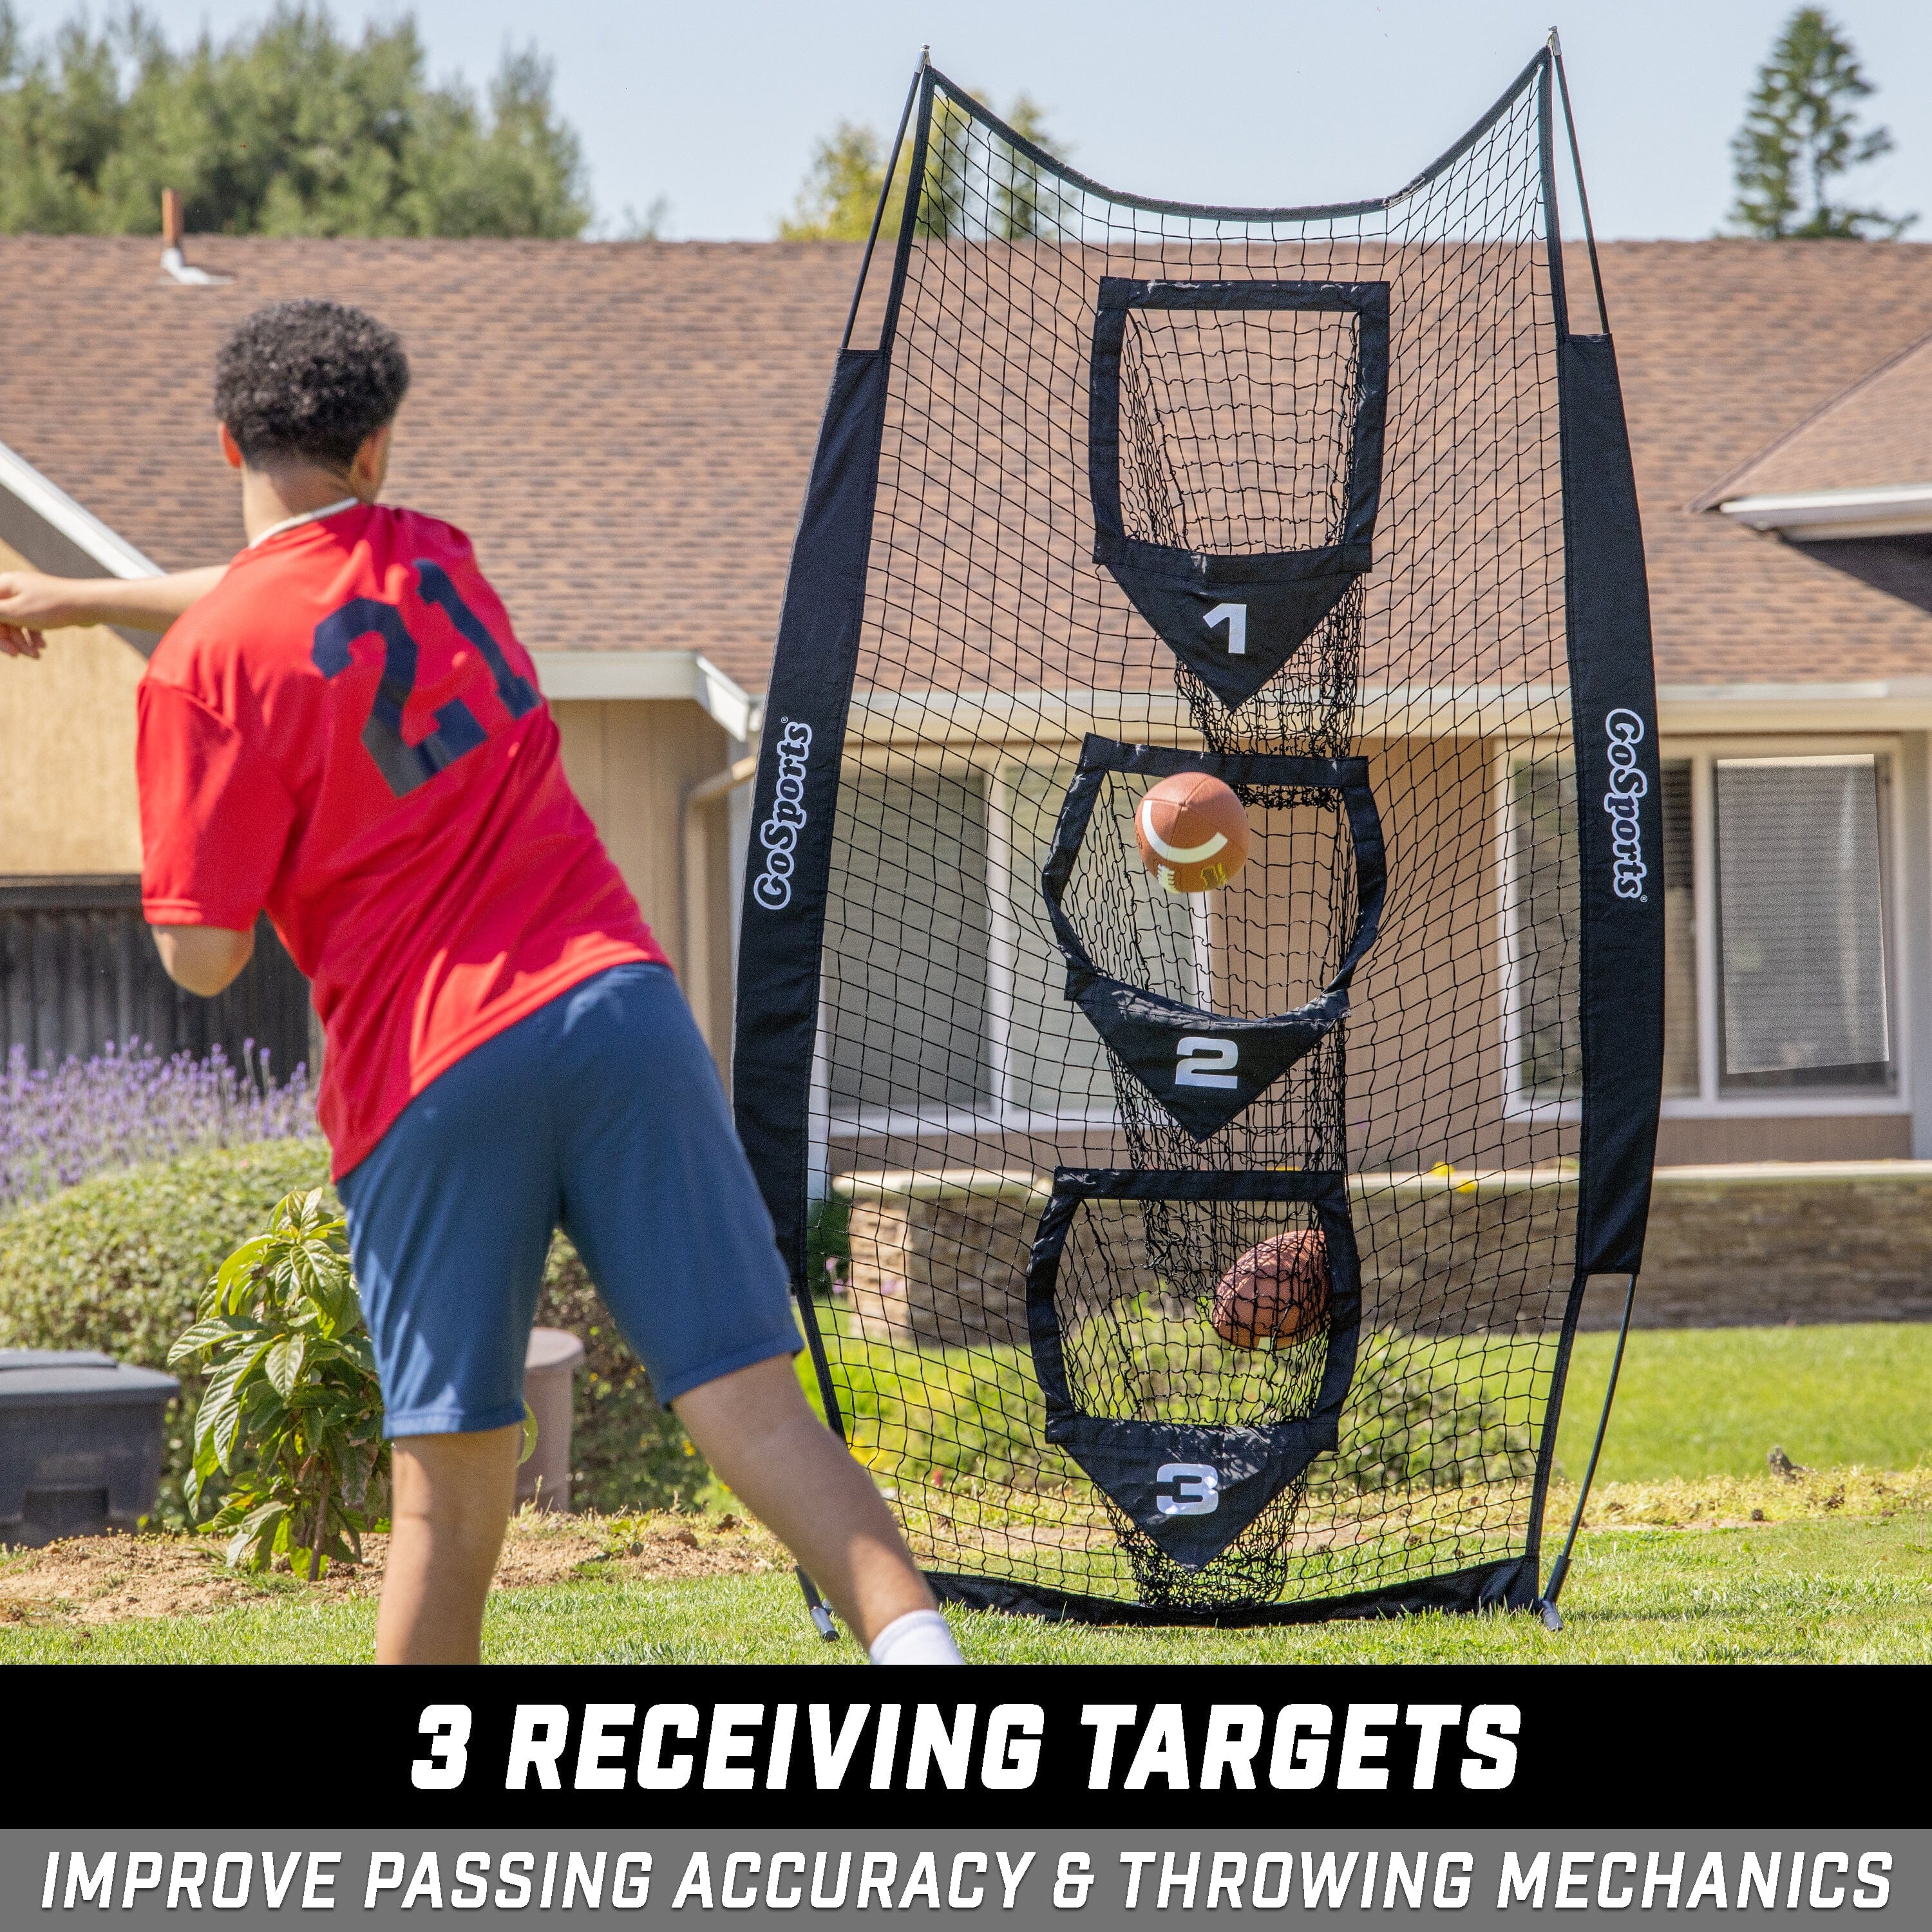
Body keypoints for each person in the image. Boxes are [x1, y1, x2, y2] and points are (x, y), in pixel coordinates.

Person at [0, 299, 961, 1669]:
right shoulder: (435, 559)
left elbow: (200, 957)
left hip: (435, 1068)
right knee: (750, 1400)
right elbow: (288, 584)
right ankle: (927, 1666)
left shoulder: (206, 675)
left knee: (449, 1497)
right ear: (378, 455)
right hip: (616, 1002)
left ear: (226, 444)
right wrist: (85, 601)